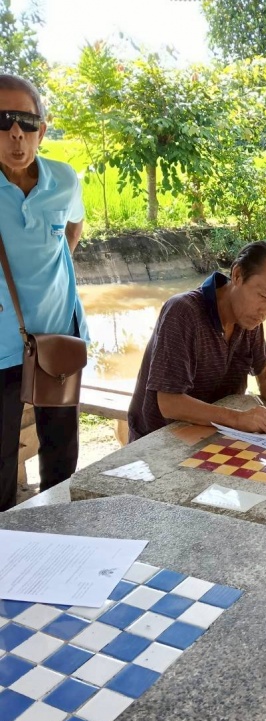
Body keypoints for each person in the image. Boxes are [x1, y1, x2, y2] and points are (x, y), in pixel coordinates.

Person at [0, 74, 88, 512]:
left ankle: (59, 539)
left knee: (61, 456)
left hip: (58, 334)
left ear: (42, 130)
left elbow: (75, 224)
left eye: (26, 122)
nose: (16, 134)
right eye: (3, 121)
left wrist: (61, 263)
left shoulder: (64, 180)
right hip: (2, 346)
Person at [128, 240, 266, 441]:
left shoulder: (250, 319)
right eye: (263, 295)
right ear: (237, 275)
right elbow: (170, 403)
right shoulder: (183, 312)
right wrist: (238, 418)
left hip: (217, 435)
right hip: (160, 441)